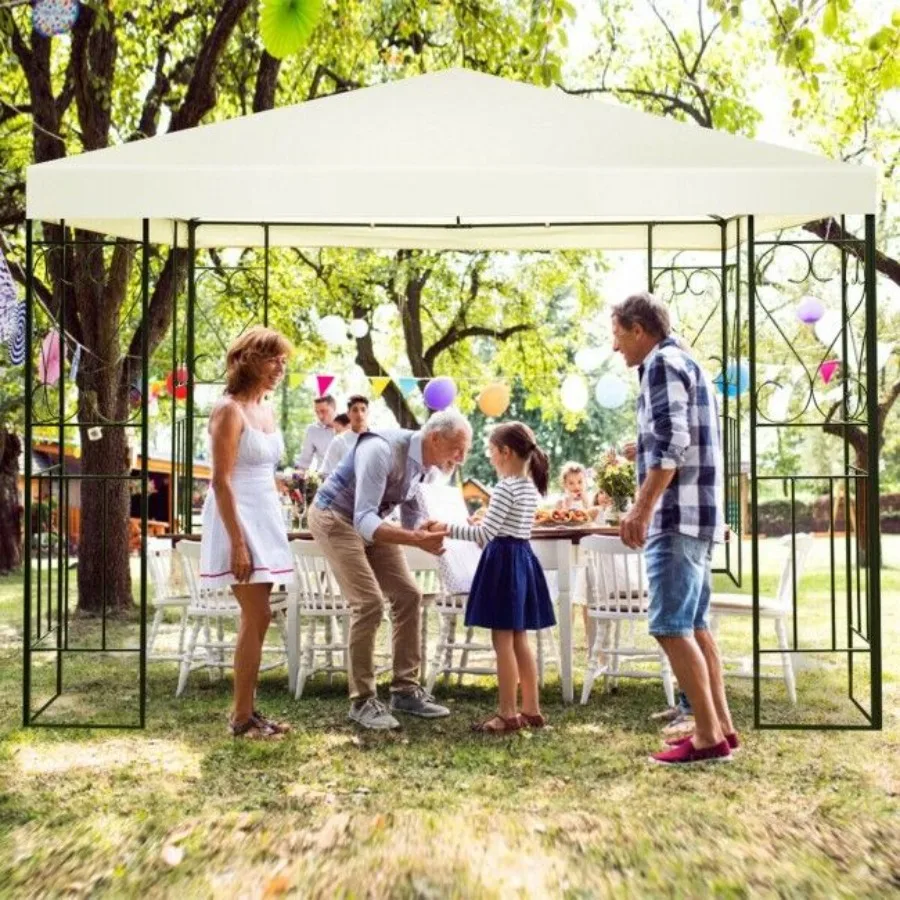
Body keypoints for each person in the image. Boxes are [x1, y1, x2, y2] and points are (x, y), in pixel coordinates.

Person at [611, 291, 737, 765]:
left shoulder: (662, 365)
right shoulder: (688, 362)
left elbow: (671, 445)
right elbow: (675, 437)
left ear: (639, 330)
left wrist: (641, 509)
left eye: (618, 335)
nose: (615, 346)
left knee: (669, 626)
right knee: (697, 627)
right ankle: (721, 726)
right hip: (700, 516)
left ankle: (706, 737)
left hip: (676, 515)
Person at [308, 408, 472, 730]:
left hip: (369, 521)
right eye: (458, 449)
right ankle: (362, 701)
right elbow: (364, 520)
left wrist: (428, 530)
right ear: (435, 438)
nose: (461, 459)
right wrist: (415, 538)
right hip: (334, 516)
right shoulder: (380, 450)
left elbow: (412, 514)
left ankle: (405, 691)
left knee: (408, 595)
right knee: (368, 603)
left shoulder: (425, 466)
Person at [200, 326, 295, 739]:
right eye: (272, 358)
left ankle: (249, 712)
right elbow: (221, 481)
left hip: (265, 515)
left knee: (261, 615)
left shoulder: (266, 410)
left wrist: (282, 491)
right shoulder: (229, 410)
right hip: (235, 518)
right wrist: (237, 541)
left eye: (283, 361)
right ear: (247, 359)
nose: (280, 367)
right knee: (256, 613)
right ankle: (240, 717)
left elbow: (261, 470)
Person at [430, 422, 555, 734]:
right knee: (519, 639)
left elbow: (485, 535)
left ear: (505, 452)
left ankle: (507, 713)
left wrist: (446, 528)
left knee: (502, 642)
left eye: (490, 451)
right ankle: (532, 710)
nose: (489, 457)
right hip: (522, 560)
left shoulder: (505, 487)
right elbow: (501, 525)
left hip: (502, 563)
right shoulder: (528, 487)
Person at [322, 395, 369, 475]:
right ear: (348, 414)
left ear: (368, 413)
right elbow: (327, 473)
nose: (360, 414)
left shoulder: (378, 440)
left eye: (363, 410)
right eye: (355, 410)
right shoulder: (338, 441)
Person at [295, 394, 337, 477]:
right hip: (325, 482)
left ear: (334, 408)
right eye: (317, 412)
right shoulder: (313, 430)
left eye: (324, 411)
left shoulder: (350, 427)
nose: (320, 416)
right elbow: (304, 461)